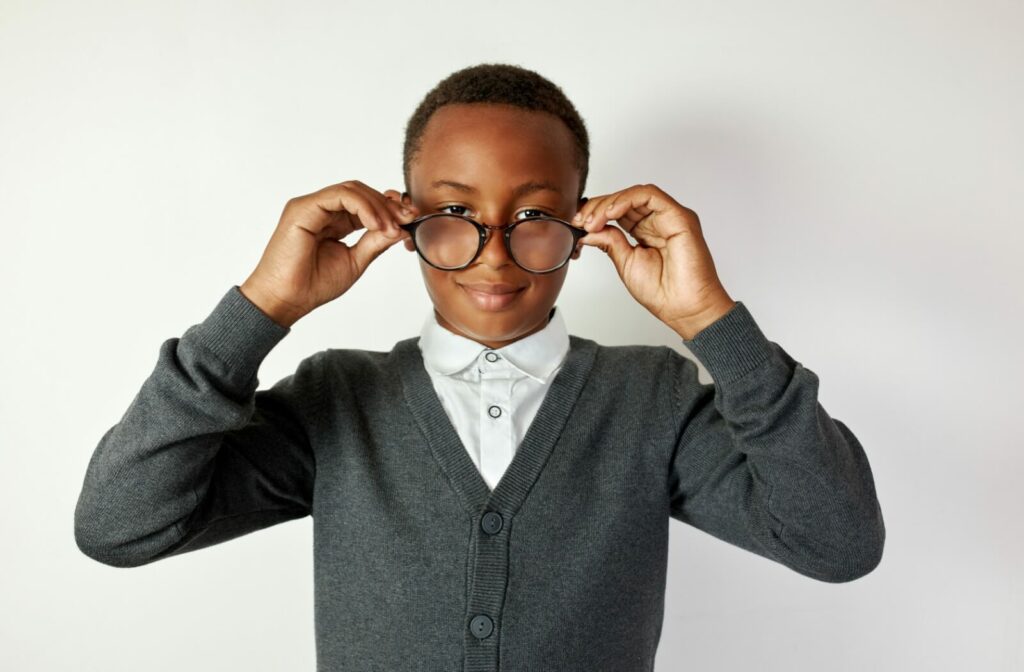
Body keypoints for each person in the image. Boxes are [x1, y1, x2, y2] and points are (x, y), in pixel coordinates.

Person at [74, 62, 885, 671]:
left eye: (535, 215)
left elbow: (837, 542)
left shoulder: (653, 400)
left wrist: (710, 322)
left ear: (586, 219)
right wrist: (260, 310)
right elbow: (119, 526)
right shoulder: (337, 400)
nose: (495, 254)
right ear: (404, 215)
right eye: (456, 214)